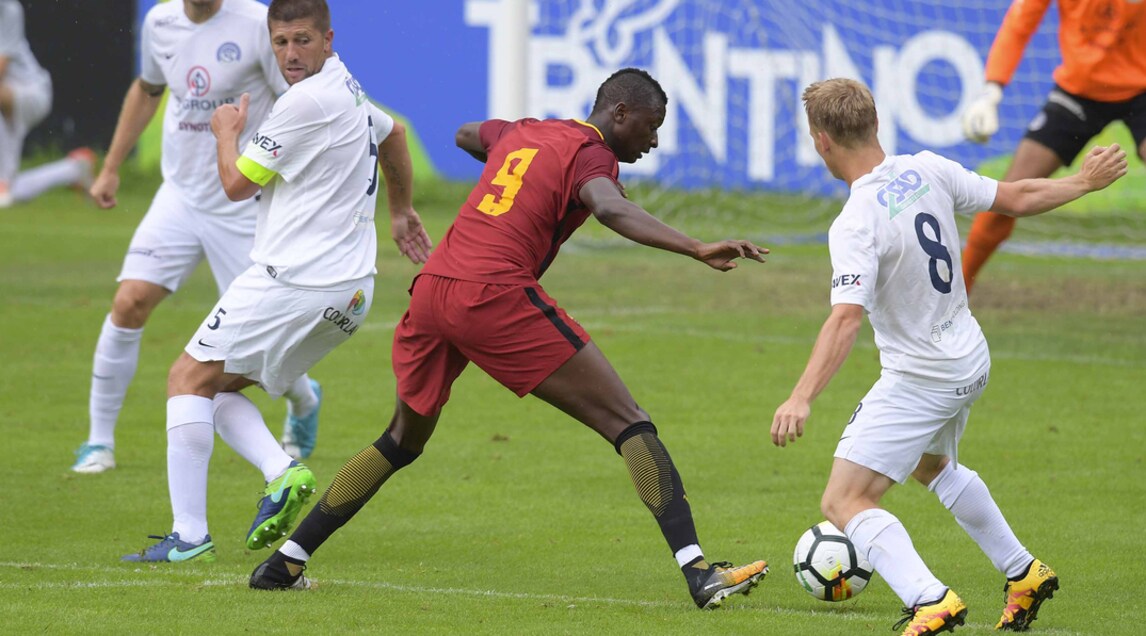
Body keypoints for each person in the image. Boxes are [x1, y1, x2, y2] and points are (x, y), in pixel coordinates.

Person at [249, 67, 770, 609]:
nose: (654, 140)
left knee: (401, 440)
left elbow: (465, 134)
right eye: (650, 125)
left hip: (433, 290)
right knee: (628, 422)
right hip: (491, 294)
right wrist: (695, 247)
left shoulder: (526, 131)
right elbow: (610, 207)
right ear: (618, 114)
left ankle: (285, 562)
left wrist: (511, 158)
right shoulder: (594, 154)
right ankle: (698, 573)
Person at [772, 78, 1126, 634]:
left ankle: (929, 599)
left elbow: (845, 318)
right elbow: (1016, 197)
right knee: (930, 465)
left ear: (821, 142)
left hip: (922, 377)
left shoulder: (856, 221)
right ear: (877, 125)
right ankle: (1023, 573)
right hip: (968, 357)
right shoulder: (927, 169)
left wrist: (801, 396)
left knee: (844, 499)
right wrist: (1082, 182)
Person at [121, 0, 431, 562]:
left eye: (303, 41)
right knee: (211, 388)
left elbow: (236, 186)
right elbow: (396, 135)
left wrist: (225, 132)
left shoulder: (304, 102)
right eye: (281, 42)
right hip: (352, 293)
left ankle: (189, 536)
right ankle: (279, 469)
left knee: (184, 379)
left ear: (327, 38)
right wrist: (401, 210)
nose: (291, 54)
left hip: (294, 281)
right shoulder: (347, 85)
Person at [74, 0, 329, 473]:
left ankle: (304, 395)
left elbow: (297, 101)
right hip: (180, 196)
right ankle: (98, 442)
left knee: (257, 347)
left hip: (242, 205)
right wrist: (110, 168)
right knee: (129, 302)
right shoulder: (160, 21)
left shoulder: (257, 24)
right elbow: (148, 89)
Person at [960, 0, 1146, 292]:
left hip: (1141, 89)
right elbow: (1019, 24)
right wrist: (991, 91)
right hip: (1078, 91)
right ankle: (955, 292)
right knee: (1006, 197)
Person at [0, 0, 95, 209]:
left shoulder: (8, 8)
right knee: (14, 190)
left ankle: (3, 183)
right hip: (8, 98)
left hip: (31, 91)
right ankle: (73, 169)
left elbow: (1, 68)